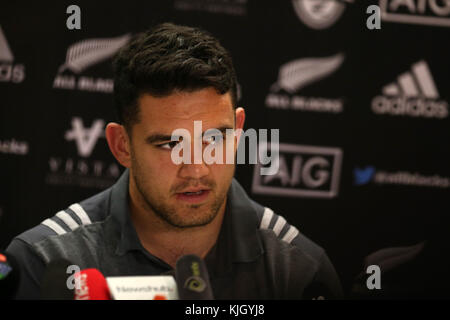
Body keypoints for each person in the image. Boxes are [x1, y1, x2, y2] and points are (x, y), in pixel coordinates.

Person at [6, 22, 343, 299]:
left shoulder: (298, 271)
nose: (196, 168)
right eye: (170, 144)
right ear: (121, 145)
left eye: (214, 139)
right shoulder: (45, 262)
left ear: (238, 131)